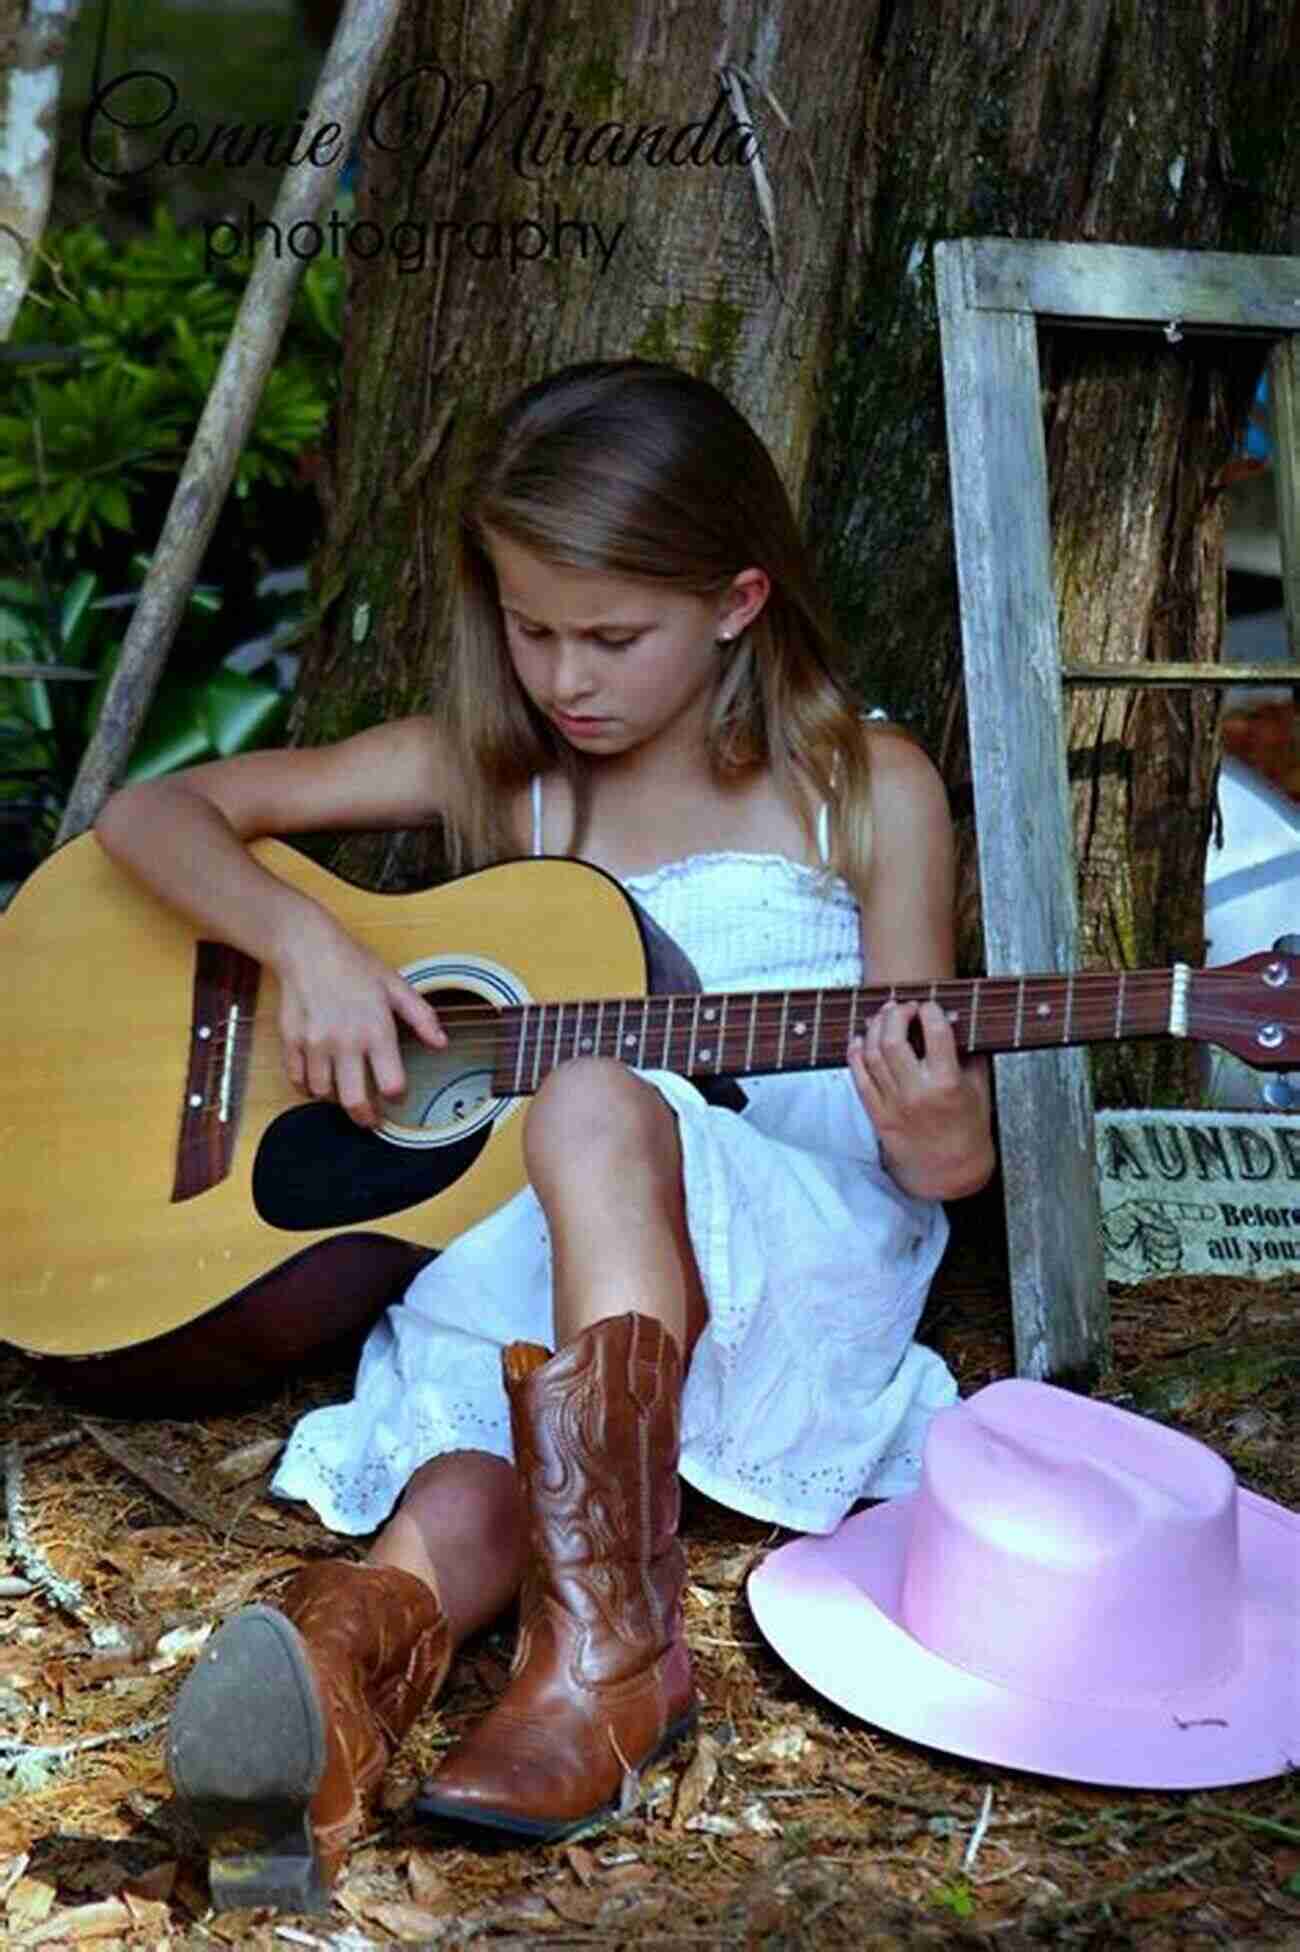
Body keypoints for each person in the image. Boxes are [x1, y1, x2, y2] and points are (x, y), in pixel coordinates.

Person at [94, 358, 994, 1905]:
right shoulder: (502, 773)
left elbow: (923, 1138)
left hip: (794, 1247)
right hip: (558, 1248)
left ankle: (614, 1656)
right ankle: (337, 1679)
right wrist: (307, 946)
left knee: (588, 1099)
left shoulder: (867, 787)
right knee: (470, 1449)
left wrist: (949, 1139)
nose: (564, 677)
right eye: (529, 629)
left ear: (738, 601)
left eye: (610, 638)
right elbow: (149, 820)